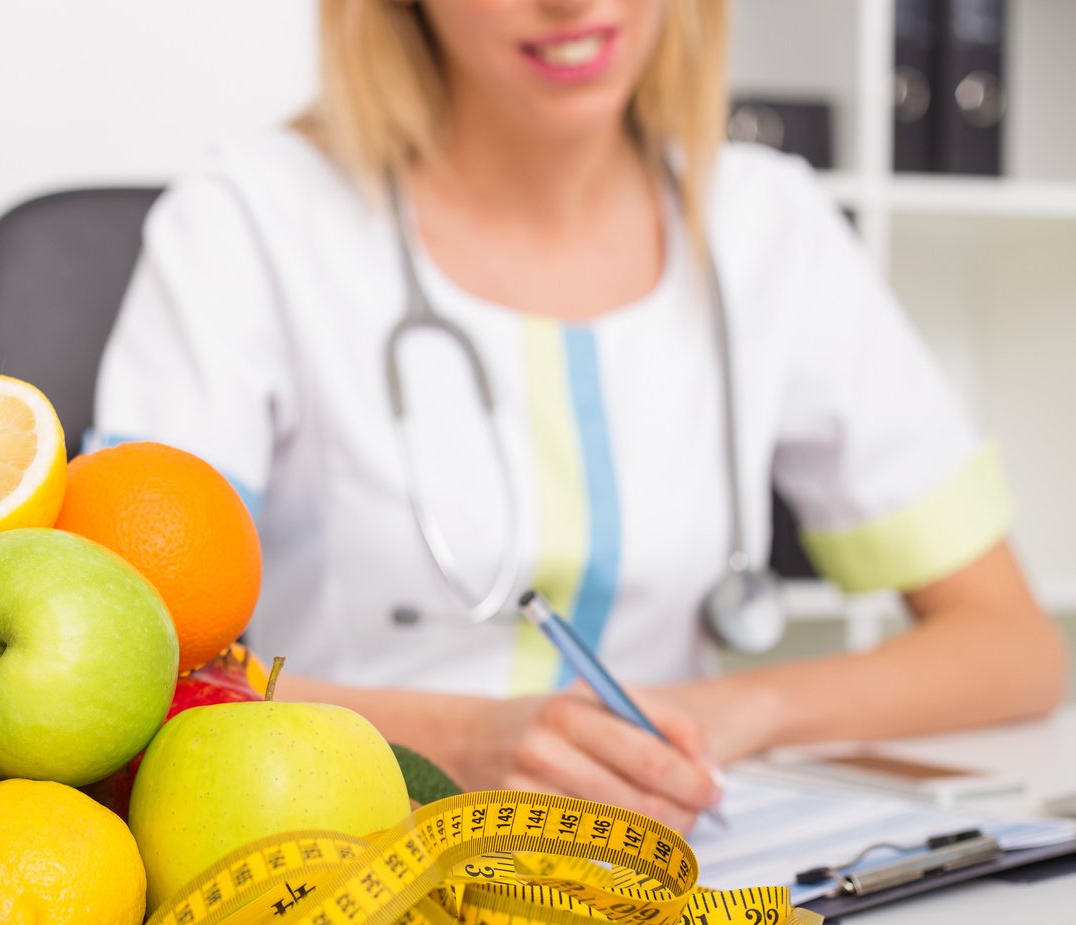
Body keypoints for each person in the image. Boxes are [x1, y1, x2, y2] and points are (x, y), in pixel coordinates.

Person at [90, 0, 1065, 832]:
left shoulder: (769, 226)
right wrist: (469, 740)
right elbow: (129, 667)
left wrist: (719, 714)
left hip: (663, 865)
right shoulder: (248, 219)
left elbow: (1011, 649)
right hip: (333, 845)